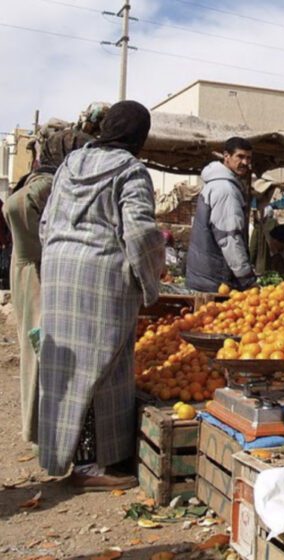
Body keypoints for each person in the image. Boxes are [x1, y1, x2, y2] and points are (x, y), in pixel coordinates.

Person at [38, 101, 164, 488]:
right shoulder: (131, 170)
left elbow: (47, 221)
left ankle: (59, 452)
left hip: (59, 270)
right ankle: (94, 465)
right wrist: (150, 280)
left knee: (65, 368)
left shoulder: (71, 164)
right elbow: (140, 231)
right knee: (105, 366)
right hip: (101, 274)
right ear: (138, 136)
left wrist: (59, 256)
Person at [3, 128, 89, 444]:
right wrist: (38, 241)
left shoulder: (46, 178)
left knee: (40, 351)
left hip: (32, 271)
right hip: (35, 276)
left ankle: (41, 428)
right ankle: (40, 430)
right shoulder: (48, 181)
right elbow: (16, 205)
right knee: (41, 351)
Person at [186, 137, 256, 292]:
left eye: (248, 158)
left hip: (202, 276)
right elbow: (229, 238)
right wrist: (246, 278)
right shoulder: (226, 190)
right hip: (216, 280)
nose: (245, 162)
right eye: (240, 156)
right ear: (226, 156)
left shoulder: (214, 184)